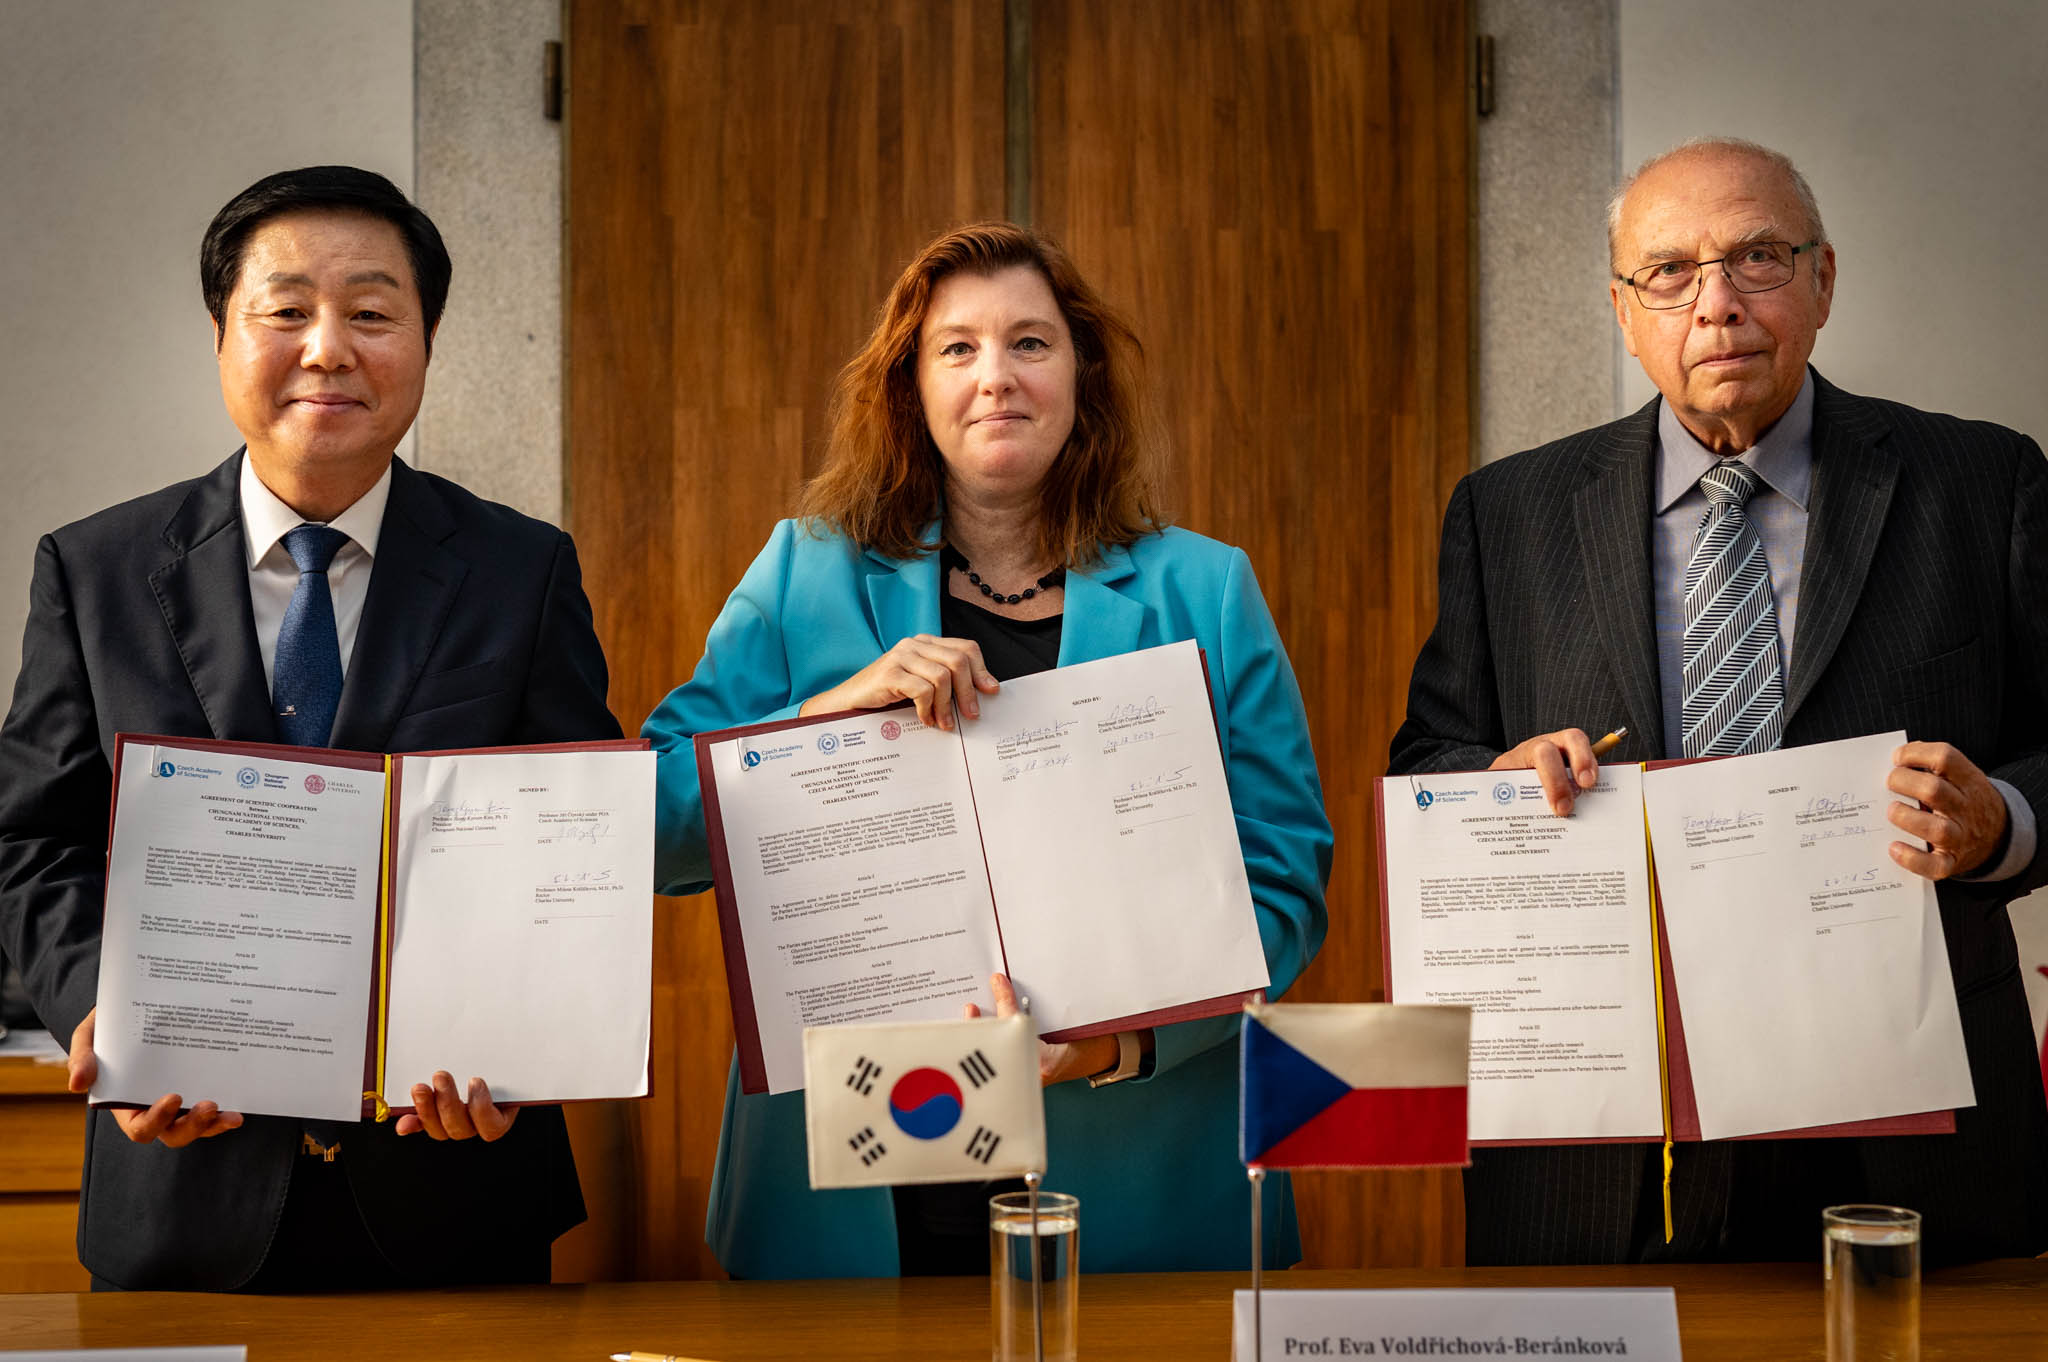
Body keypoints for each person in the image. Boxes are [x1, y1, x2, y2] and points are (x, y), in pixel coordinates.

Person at [1390, 137, 2048, 1266]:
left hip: (1907, 1123)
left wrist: (1999, 823)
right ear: (1621, 307)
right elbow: (1429, 757)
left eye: (1755, 258)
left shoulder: (1980, 485)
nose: (1715, 304)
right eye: (1668, 272)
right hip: (1598, 1134)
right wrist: (1489, 791)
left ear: (1822, 279)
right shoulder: (1508, 512)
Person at [644, 221, 1331, 1278]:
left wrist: (1113, 1047)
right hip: (851, 1184)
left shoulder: (1206, 588)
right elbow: (656, 835)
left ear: (1080, 376)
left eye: (1030, 343)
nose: (993, 377)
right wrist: (825, 715)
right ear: (908, 388)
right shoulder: (802, 573)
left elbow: (1283, 887)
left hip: (1136, 1171)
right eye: (955, 348)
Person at [0, 166, 618, 1290]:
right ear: (223, 335)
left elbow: (568, 845)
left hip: (455, 1185)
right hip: (185, 1181)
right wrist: (110, 1015)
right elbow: (32, 840)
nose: (328, 347)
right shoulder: (95, 572)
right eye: (285, 311)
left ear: (426, 340)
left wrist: (527, 1045)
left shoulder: (520, 571)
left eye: (372, 313)